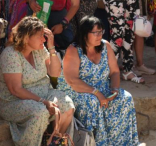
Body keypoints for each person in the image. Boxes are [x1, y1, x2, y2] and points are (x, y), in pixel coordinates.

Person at [57, 16, 139, 145]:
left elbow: (115, 72)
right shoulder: (73, 50)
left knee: (125, 98)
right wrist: (96, 93)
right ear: (85, 34)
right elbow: (72, 80)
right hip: (77, 90)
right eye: (95, 32)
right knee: (92, 102)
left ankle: (123, 143)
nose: (99, 35)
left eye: (101, 32)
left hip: (101, 87)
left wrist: (115, 90)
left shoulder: (105, 45)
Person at [0, 17, 74, 145]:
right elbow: (15, 90)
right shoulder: (11, 55)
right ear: (26, 38)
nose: (44, 39)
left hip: (43, 93)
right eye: (40, 36)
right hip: (14, 101)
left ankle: (53, 141)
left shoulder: (40, 50)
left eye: (44, 36)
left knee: (68, 105)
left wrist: (52, 48)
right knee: (40, 112)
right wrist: (44, 102)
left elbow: (55, 73)